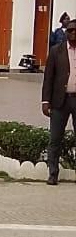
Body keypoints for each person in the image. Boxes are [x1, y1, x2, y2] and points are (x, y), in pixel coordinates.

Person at [42, 19, 76, 186]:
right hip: (59, 102)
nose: (73, 33)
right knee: (55, 139)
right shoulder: (56, 51)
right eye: (70, 30)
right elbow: (48, 78)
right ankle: (53, 173)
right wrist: (45, 101)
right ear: (66, 32)